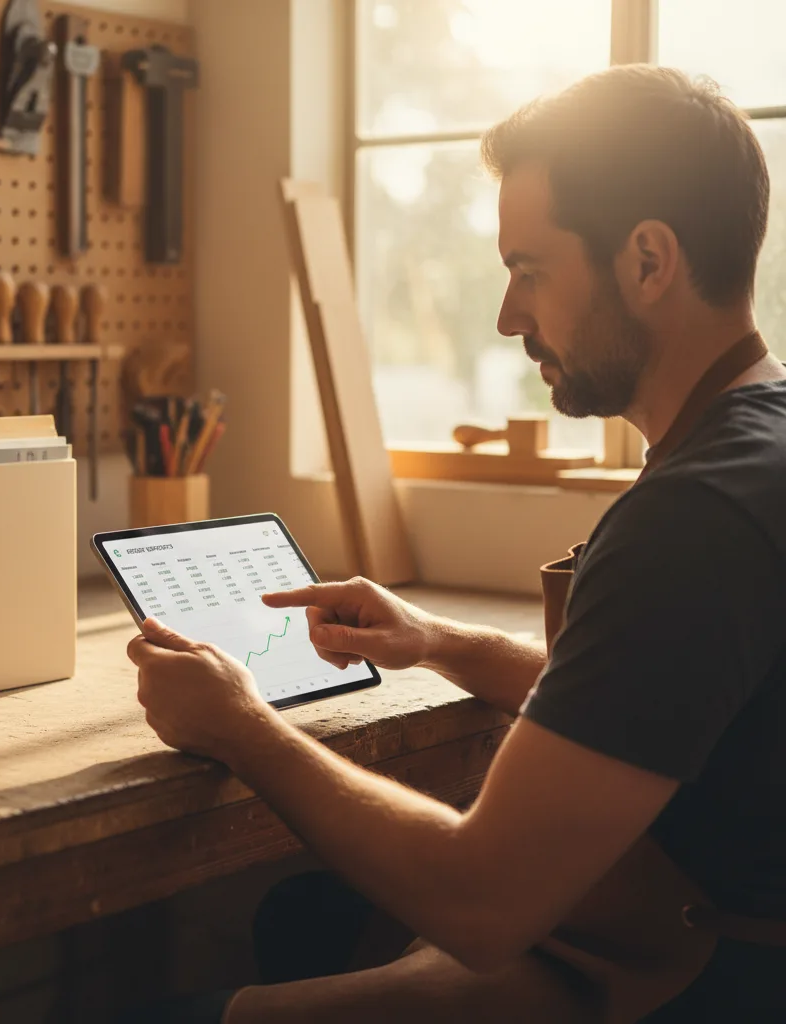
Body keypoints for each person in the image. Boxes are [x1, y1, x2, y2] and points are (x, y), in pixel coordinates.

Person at [125, 65, 786, 1021]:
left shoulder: (697, 516)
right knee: (307, 917)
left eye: (530, 271)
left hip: (703, 984)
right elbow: (654, 707)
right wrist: (440, 644)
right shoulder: (758, 440)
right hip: (706, 937)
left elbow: (481, 903)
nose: (510, 317)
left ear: (648, 261)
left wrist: (238, 723)